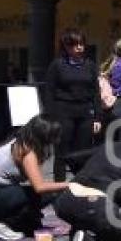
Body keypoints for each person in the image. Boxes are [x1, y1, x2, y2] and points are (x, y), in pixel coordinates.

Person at [0, 115, 66, 240]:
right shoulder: (28, 152)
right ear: (45, 136)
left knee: (31, 227)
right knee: (49, 194)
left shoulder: (22, 141)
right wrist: (69, 184)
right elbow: (40, 187)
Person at [43, 28, 102, 181]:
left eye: (82, 44)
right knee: (62, 152)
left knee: (83, 152)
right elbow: (49, 92)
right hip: (63, 113)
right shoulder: (57, 65)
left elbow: (95, 92)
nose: (80, 47)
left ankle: (80, 184)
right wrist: (50, 117)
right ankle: (59, 188)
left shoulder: (90, 65)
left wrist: (97, 118)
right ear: (67, 46)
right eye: (75, 44)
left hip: (85, 113)